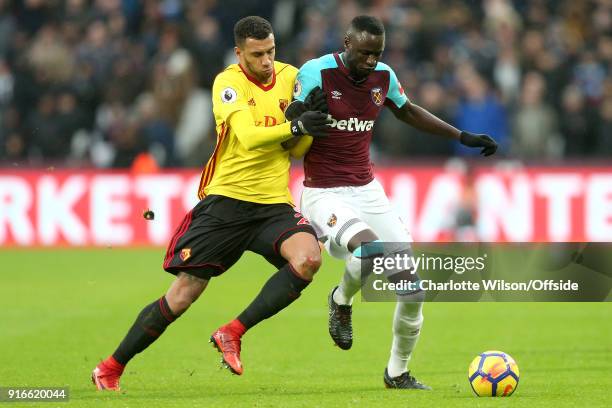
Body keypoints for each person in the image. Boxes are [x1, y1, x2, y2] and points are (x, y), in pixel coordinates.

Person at [91, 16, 332, 391]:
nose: (267, 61)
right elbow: (250, 137)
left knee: (309, 258)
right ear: (240, 53)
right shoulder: (228, 82)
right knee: (184, 294)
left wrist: (311, 127)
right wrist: (296, 125)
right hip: (226, 204)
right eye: (257, 54)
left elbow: (295, 148)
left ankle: (232, 332)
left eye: (271, 51)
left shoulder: (291, 77)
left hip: (272, 204)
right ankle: (110, 367)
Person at [285, 15, 498, 390]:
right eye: (365, 53)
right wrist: (303, 115)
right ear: (347, 44)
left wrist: (461, 136)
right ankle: (341, 300)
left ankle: (397, 373)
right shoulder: (316, 72)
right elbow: (290, 122)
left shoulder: (383, 76)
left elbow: (408, 110)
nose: (371, 61)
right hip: (324, 192)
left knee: (413, 290)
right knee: (368, 249)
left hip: (368, 190)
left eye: (377, 54)